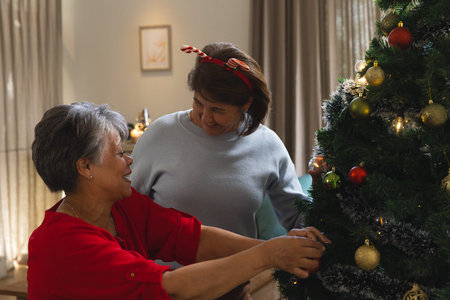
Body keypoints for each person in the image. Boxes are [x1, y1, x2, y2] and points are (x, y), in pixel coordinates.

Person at [28, 102, 330, 300]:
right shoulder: (62, 244)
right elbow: (170, 288)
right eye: (119, 153)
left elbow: (193, 237)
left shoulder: (122, 203)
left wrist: (279, 249)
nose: (129, 161)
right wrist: (269, 256)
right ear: (85, 167)